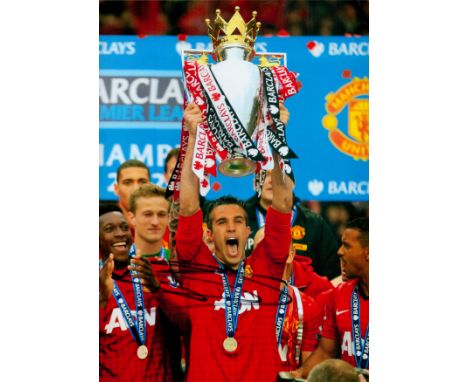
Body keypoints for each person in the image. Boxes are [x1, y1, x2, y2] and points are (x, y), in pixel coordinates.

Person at [131, 102, 295, 381]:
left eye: (239, 222)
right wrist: (193, 137)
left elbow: (282, 203)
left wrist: (277, 135)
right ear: (209, 233)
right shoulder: (197, 266)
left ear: (247, 231)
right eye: (221, 222)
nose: (231, 226)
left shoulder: (267, 265)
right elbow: (188, 206)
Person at [99, 205, 177, 381]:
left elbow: (184, 323)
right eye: (109, 229)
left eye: (124, 227)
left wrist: (157, 288)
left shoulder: (156, 270)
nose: (120, 233)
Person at [291, 218, 369, 378]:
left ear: (368, 252)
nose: (339, 251)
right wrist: (297, 375)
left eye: (347, 245)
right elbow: (326, 352)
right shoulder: (338, 294)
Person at [244, 169, 341, 280]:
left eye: (278, 176)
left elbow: (334, 274)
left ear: (292, 184)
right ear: (255, 184)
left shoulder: (313, 223)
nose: (271, 181)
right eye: (264, 176)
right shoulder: (240, 219)